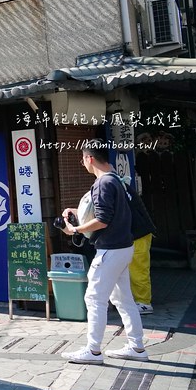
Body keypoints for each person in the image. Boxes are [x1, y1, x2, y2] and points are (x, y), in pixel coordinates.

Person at [60, 143, 147, 364]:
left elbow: (102, 220)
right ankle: (137, 348)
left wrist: (75, 229)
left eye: (82, 160)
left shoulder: (103, 183)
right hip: (124, 247)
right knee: (124, 299)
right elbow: (107, 214)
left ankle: (93, 350)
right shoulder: (115, 179)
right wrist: (75, 212)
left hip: (110, 250)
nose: (83, 164)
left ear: (89, 158)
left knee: (94, 298)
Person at [123, 175, 156, 315]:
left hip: (139, 233)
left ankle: (144, 303)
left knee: (138, 270)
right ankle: (140, 300)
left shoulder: (116, 189)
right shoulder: (122, 188)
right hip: (140, 232)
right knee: (136, 269)